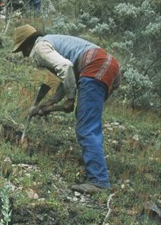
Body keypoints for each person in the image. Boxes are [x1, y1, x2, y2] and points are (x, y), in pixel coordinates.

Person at [12, 24, 121, 194]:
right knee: (86, 119)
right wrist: (49, 104)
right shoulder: (51, 41)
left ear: (27, 44)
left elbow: (66, 67)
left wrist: (70, 99)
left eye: (22, 51)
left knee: (86, 128)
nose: (25, 55)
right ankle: (97, 169)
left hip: (94, 66)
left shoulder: (39, 48)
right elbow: (66, 77)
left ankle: (99, 181)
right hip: (108, 66)